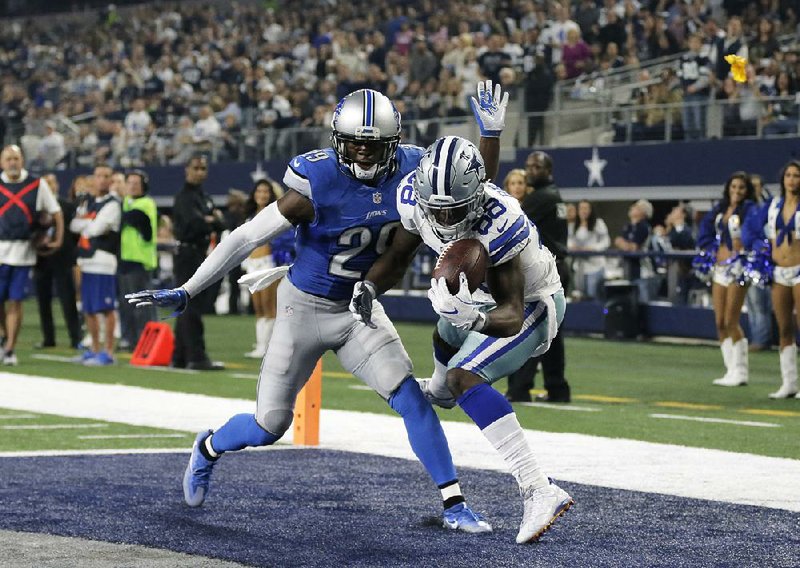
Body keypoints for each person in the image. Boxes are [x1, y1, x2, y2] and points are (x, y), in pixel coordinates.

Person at [127, 84, 509, 533]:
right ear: (337, 141)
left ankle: (454, 504)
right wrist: (189, 289)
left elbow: (468, 187)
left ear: (393, 143)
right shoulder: (315, 183)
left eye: (373, 146)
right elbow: (246, 237)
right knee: (269, 424)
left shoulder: (414, 170)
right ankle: (208, 447)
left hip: (358, 309)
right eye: (355, 145)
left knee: (409, 396)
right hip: (303, 308)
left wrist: (492, 133)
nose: (364, 156)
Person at [352, 136, 573, 544]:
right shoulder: (414, 199)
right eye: (436, 207)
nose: (444, 217)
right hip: (485, 298)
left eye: (454, 207)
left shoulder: (502, 219)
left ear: (474, 196)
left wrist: (472, 316)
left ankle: (539, 489)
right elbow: (399, 256)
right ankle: (439, 390)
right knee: (445, 330)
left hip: (532, 305)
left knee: (464, 376)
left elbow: (510, 313)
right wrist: (368, 286)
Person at [506, 151, 571, 403]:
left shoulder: (542, 198)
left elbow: (512, 221)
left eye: (537, 167)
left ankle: (520, 388)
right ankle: (557, 389)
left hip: (546, 272)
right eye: (528, 166)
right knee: (552, 332)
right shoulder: (555, 196)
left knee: (531, 329)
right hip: (556, 270)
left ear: (548, 170)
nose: (531, 170)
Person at [0, 145, 64, 365]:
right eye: (8, 159)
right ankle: (4, 337)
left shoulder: (37, 184)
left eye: (16, 158)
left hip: (23, 252)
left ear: (22, 161)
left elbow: (56, 212)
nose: (12, 163)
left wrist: (58, 239)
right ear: (2, 162)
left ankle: (9, 349)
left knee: (15, 301)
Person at [743, 160, 800, 399]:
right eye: (788, 175)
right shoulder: (774, 204)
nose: (792, 179)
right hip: (778, 271)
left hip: (799, 270)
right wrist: (759, 247)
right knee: (784, 327)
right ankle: (789, 382)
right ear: (782, 179)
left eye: (797, 175)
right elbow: (751, 229)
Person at [697, 172, 755, 387]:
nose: (737, 191)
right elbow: (705, 233)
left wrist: (741, 248)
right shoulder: (719, 209)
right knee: (720, 322)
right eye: (733, 187)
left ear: (746, 190)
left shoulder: (750, 210)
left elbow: (753, 235)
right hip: (718, 268)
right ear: (728, 189)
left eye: (741, 187)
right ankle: (730, 370)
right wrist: (711, 251)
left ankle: (741, 371)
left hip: (738, 268)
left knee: (732, 320)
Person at [171, 155, 226, 370]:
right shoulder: (184, 197)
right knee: (191, 305)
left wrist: (211, 221)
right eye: (196, 168)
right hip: (187, 254)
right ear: (187, 169)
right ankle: (196, 356)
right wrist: (209, 220)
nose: (200, 172)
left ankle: (180, 356)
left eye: (203, 168)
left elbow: (219, 223)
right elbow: (194, 224)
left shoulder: (202, 197)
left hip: (199, 253)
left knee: (185, 305)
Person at [70, 163, 121, 366]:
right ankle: (94, 349)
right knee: (89, 308)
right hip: (88, 260)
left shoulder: (113, 204)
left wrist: (86, 225)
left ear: (111, 180)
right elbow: (74, 225)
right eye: (98, 175)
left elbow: (94, 229)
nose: (102, 179)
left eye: (106, 176)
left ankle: (108, 352)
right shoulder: (90, 203)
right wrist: (87, 225)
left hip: (104, 261)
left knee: (106, 308)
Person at [241, 179, 288, 359]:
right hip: (252, 264)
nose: (261, 195)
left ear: (271, 195)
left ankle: (268, 347)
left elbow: (283, 239)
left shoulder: (275, 214)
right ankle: (261, 344)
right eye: (258, 191)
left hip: (268, 263)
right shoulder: (250, 216)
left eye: (265, 192)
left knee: (270, 307)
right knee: (258, 307)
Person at [34, 173, 82, 350]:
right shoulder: (36, 208)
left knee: (68, 299)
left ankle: (76, 337)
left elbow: (76, 232)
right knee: (43, 301)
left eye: (52, 182)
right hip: (42, 259)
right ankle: (48, 338)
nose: (49, 185)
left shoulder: (67, 206)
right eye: (46, 182)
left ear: (57, 185)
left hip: (62, 258)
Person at [117, 170, 158, 352]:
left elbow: (133, 217)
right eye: (130, 182)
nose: (133, 186)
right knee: (126, 305)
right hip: (125, 259)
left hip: (141, 261)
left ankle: (147, 341)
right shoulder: (125, 202)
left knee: (142, 306)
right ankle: (129, 339)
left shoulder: (146, 203)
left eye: (136, 183)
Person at [744, 174, 773, 351]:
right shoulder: (746, 207)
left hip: (761, 260)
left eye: (757, 185)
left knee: (759, 302)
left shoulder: (766, 208)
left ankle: (761, 339)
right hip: (745, 259)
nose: (754, 189)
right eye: (751, 186)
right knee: (751, 303)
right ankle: (755, 336)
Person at [614, 199, 654, 302]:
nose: (632, 208)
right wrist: (624, 244)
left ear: (643, 212)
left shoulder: (643, 227)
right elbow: (617, 241)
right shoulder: (628, 226)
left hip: (642, 269)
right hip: (628, 267)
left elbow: (633, 247)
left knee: (642, 301)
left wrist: (624, 244)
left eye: (636, 207)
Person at [569, 200, 610, 300]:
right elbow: (568, 241)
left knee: (593, 296)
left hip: (595, 266)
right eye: (581, 208)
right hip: (580, 267)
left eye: (586, 208)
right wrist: (572, 247)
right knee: (580, 296)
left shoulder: (598, 223)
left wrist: (593, 248)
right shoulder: (573, 225)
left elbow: (606, 241)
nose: (584, 211)